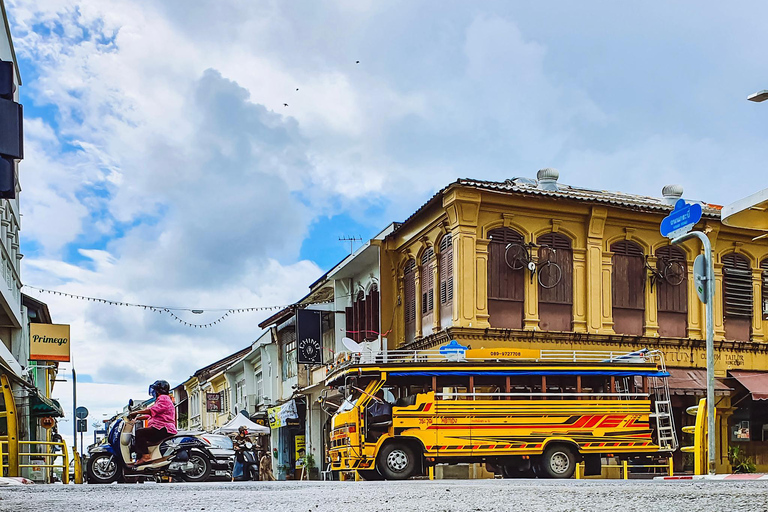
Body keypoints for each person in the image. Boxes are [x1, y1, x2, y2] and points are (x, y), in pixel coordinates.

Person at [128, 380, 177, 465]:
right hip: (161, 427)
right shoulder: (163, 399)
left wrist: (136, 412)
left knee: (140, 433)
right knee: (139, 439)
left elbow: (151, 410)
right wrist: (138, 418)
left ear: (158, 390)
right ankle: (140, 460)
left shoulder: (163, 398)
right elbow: (152, 415)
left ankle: (146, 457)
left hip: (163, 428)